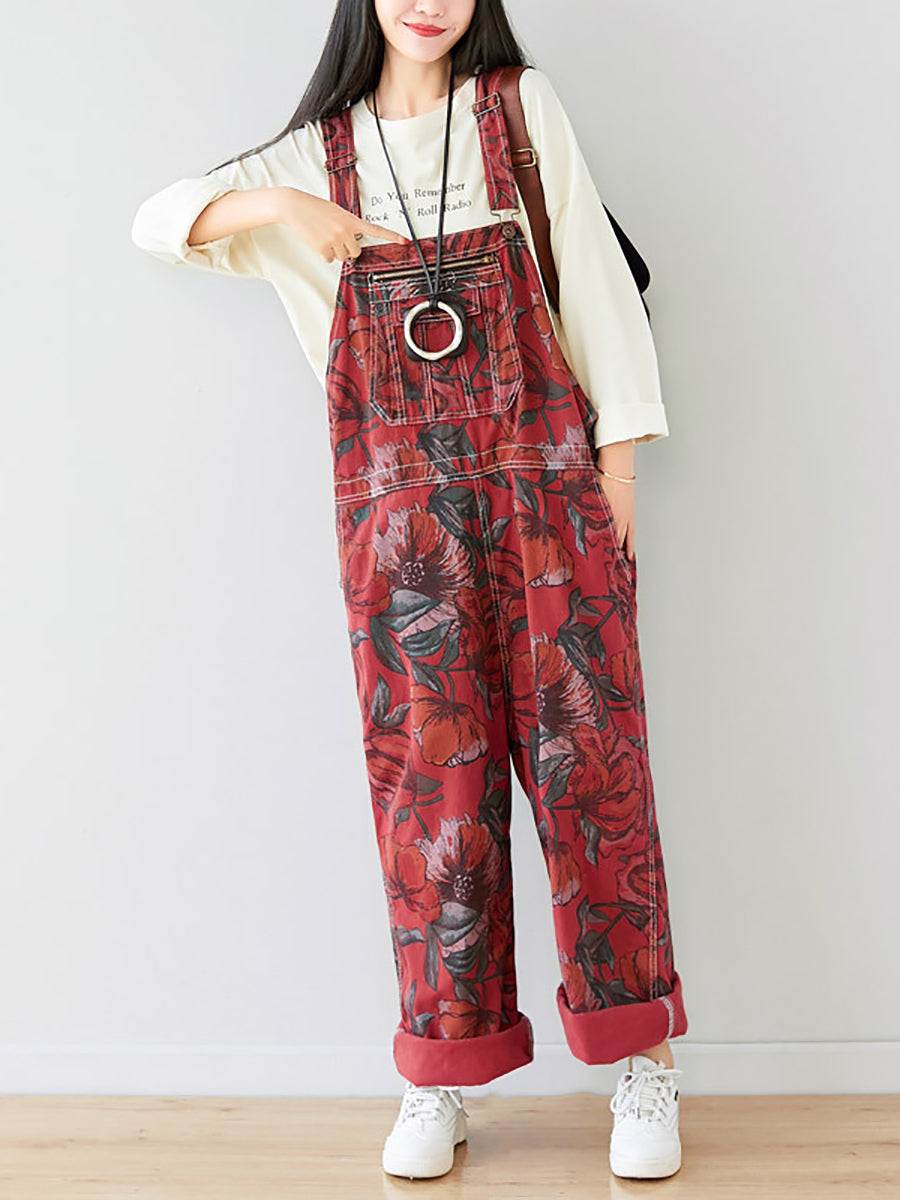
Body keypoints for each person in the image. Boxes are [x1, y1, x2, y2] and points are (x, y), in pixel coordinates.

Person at [131, 0, 688, 1183]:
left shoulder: (516, 113)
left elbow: (593, 278)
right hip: (400, 537)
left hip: (550, 494)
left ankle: (642, 1061)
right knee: (431, 803)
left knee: (594, 774)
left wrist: (620, 464)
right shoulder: (315, 155)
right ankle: (440, 1072)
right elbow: (158, 219)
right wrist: (288, 210)